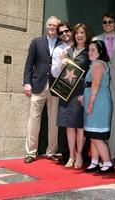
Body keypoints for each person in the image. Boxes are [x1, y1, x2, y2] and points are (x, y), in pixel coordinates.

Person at [23, 16, 61, 163]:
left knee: (54, 121)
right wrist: (26, 83)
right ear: (46, 26)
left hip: (55, 87)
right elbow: (28, 64)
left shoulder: (62, 43)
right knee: (33, 120)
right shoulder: (36, 42)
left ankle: (51, 151)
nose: (52, 27)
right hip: (38, 85)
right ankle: (31, 152)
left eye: (55, 25)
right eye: (50, 25)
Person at [93, 13, 115, 163]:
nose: (107, 24)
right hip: (100, 85)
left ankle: (111, 156)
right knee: (101, 119)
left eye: (110, 22)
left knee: (114, 120)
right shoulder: (95, 40)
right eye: (104, 22)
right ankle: (100, 155)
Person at [58, 23, 91, 169]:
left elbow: (89, 73)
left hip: (80, 92)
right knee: (69, 126)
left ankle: (79, 155)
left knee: (79, 126)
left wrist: (67, 61)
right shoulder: (68, 50)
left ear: (86, 35)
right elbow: (62, 72)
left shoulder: (89, 51)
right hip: (66, 91)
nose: (79, 35)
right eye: (77, 33)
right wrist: (62, 61)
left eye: (82, 32)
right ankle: (71, 155)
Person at [83, 40, 115, 173]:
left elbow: (95, 84)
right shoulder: (95, 64)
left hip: (98, 102)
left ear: (100, 52)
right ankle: (95, 162)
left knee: (96, 135)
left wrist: (90, 103)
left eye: (93, 50)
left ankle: (108, 163)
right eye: (89, 50)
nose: (89, 52)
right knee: (93, 133)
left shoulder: (98, 64)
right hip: (96, 99)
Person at [51, 21, 73, 164]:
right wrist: (61, 61)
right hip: (65, 87)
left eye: (66, 31)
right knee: (65, 121)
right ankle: (65, 154)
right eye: (61, 33)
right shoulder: (59, 50)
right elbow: (54, 72)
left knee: (79, 122)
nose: (64, 34)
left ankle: (81, 153)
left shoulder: (80, 46)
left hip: (81, 87)